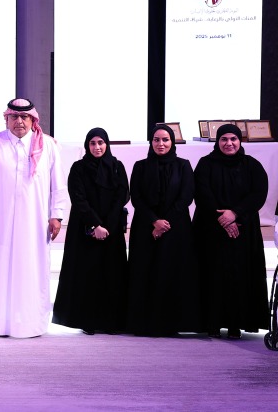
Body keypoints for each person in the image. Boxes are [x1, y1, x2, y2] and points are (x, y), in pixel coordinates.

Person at [0, 98, 65, 339]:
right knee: (2, 269)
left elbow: (58, 185)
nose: (19, 122)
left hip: (35, 222)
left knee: (32, 269)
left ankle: (32, 324)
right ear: (6, 118)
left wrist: (56, 216)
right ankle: (3, 324)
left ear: (32, 119)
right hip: (0, 220)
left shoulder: (47, 145)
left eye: (24, 117)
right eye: (14, 117)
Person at [193, 123, 269, 339]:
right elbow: (201, 192)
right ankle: (212, 323)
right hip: (210, 229)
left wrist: (234, 214)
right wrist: (224, 219)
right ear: (217, 142)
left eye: (233, 139)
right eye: (224, 139)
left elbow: (258, 194)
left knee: (240, 276)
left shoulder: (252, 165)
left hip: (243, 230)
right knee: (212, 275)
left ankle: (237, 323)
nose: (229, 143)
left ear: (240, 141)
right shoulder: (206, 164)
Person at [52, 127, 129, 335]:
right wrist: (95, 225)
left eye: (101, 143)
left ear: (107, 144)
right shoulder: (78, 168)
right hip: (85, 229)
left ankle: (112, 321)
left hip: (110, 231)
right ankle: (88, 321)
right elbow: (78, 198)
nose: (97, 147)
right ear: (87, 145)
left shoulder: (116, 166)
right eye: (93, 143)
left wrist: (108, 226)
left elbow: (123, 195)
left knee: (112, 274)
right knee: (88, 275)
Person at [126, 124, 199, 337]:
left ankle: (171, 324)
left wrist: (165, 222)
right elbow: (136, 197)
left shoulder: (184, 165)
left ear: (172, 142)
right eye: (156, 140)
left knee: (171, 271)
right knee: (145, 272)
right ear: (151, 142)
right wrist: (154, 221)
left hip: (176, 228)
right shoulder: (140, 166)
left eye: (165, 140)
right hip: (145, 228)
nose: (161, 144)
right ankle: (143, 324)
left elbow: (186, 196)